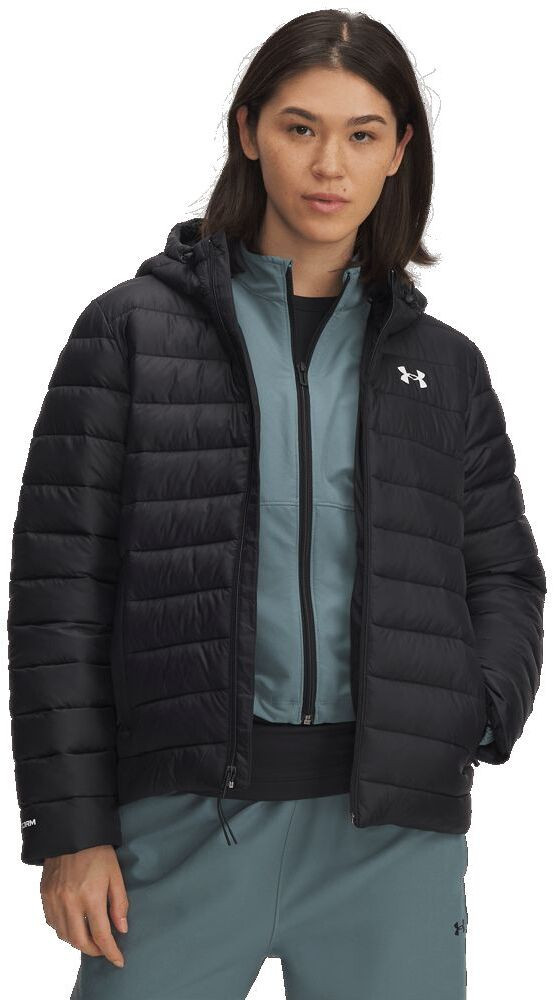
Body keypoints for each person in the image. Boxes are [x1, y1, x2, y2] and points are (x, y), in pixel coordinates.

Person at [7, 10, 546, 1000]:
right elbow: (58, 594)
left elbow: (502, 571)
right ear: (249, 131)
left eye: (361, 133)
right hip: (177, 827)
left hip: (388, 839)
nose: (328, 164)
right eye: (300, 127)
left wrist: (473, 710)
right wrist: (70, 829)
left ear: (397, 151)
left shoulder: (443, 365)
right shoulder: (131, 333)